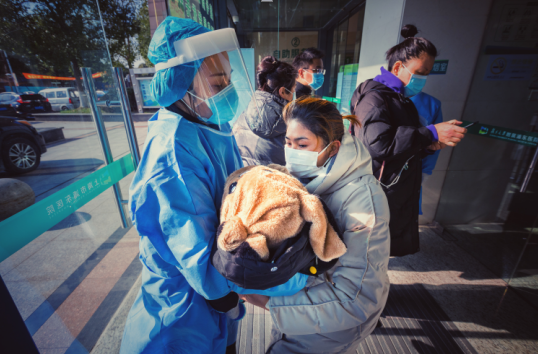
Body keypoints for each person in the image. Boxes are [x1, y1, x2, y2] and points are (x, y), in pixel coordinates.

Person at [119, 17, 295, 354]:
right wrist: (227, 294)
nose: (228, 90)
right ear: (181, 84)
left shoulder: (210, 124)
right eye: (217, 84)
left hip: (214, 299)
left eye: (229, 80)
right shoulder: (172, 152)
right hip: (183, 312)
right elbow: (191, 247)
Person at [241, 97, 391, 354]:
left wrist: (271, 304)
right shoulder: (305, 177)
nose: (292, 152)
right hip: (305, 309)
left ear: (332, 149)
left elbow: (356, 297)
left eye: (302, 144)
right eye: (288, 143)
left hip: (334, 325)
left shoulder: (363, 201)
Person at [350, 24, 466, 257]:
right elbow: (378, 145)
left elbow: (398, 146)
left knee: (379, 253)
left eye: (427, 73)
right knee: (369, 254)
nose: (423, 79)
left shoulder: (397, 98)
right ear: (397, 67)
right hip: (377, 191)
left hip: (391, 188)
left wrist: (427, 146)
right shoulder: (375, 97)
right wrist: (429, 133)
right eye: (420, 72)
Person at [233, 56, 297, 166]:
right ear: (282, 91)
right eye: (293, 89)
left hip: (244, 181)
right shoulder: (292, 125)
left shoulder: (242, 117)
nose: (294, 94)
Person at [410, 91, 444, 215]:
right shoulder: (377, 97)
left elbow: (435, 144)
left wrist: (424, 172)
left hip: (412, 169)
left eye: (425, 72)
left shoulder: (431, 104)